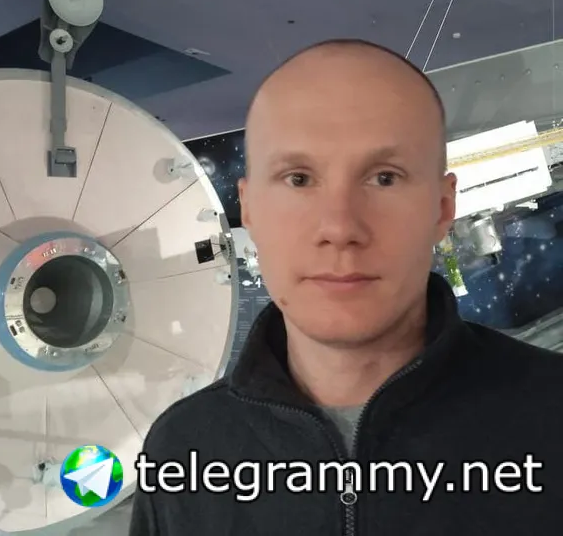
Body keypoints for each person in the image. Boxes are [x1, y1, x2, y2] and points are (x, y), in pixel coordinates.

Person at [129, 39, 563, 536]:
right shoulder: (181, 452)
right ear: (248, 209)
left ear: (443, 208)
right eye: (298, 179)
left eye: (384, 178)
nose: (339, 227)